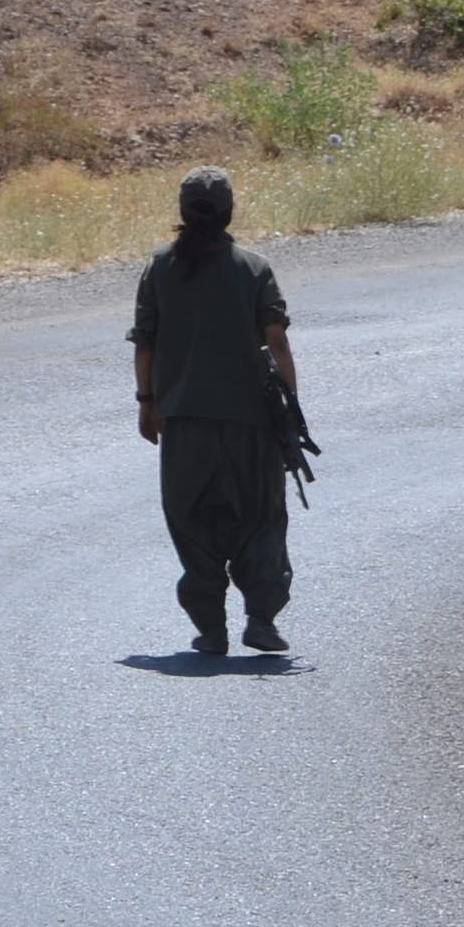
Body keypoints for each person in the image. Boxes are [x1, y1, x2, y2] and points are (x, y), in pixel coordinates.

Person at [131, 167, 298, 659]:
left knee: (192, 519)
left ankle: (210, 629)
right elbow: (278, 340)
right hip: (251, 421)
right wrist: (289, 407)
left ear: (182, 212)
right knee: (260, 516)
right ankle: (261, 617)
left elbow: (145, 344)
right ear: (231, 211)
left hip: (183, 422)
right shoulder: (253, 267)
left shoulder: (159, 267)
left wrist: (146, 405)